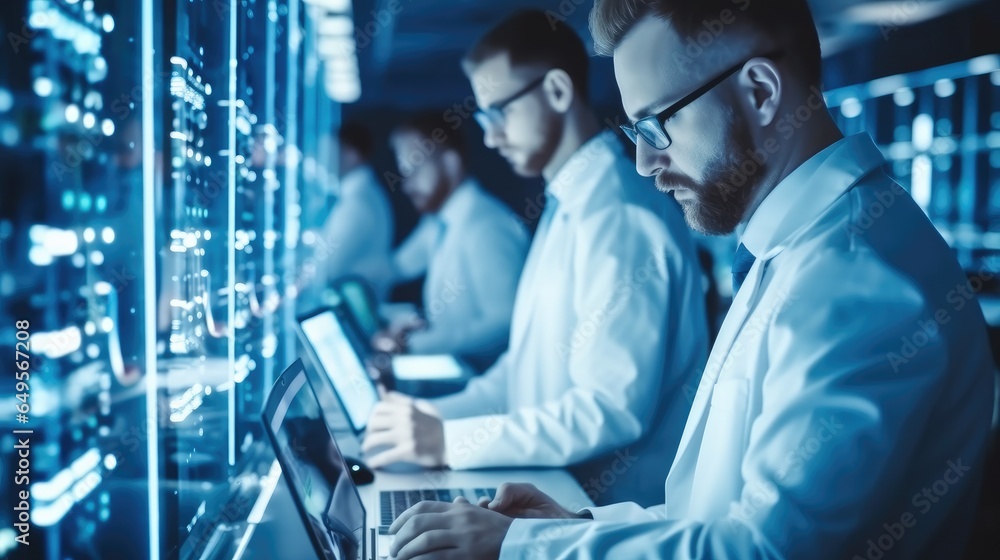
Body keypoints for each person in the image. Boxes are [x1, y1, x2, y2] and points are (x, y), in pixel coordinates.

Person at [383, 1, 997, 559]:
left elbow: (767, 552)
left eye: (657, 126)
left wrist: (525, 549)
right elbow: (717, 512)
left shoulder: (858, 280)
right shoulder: (794, 249)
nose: (647, 164)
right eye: (635, 133)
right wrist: (575, 527)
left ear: (759, 92)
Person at [361, 10, 708, 509]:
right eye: (482, 118)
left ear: (558, 92)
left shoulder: (617, 212)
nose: (490, 135)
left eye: (499, 111)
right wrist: (432, 419)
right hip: (562, 495)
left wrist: (447, 440)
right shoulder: (570, 201)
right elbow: (524, 373)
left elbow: (609, 408)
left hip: (610, 515)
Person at [376, 111, 529, 370]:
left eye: (415, 169)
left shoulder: (485, 225)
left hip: (485, 385)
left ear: (450, 163)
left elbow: (505, 323)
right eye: (404, 172)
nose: (406, 185)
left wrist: (417, 344)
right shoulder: (440, 221)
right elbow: (395, 267)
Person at [311, 122, 395, 299]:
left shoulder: (358, 203)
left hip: (356, 308)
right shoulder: (363, 195)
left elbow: (326, 269)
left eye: (329, 151)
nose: (321, 160)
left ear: (352, 154)